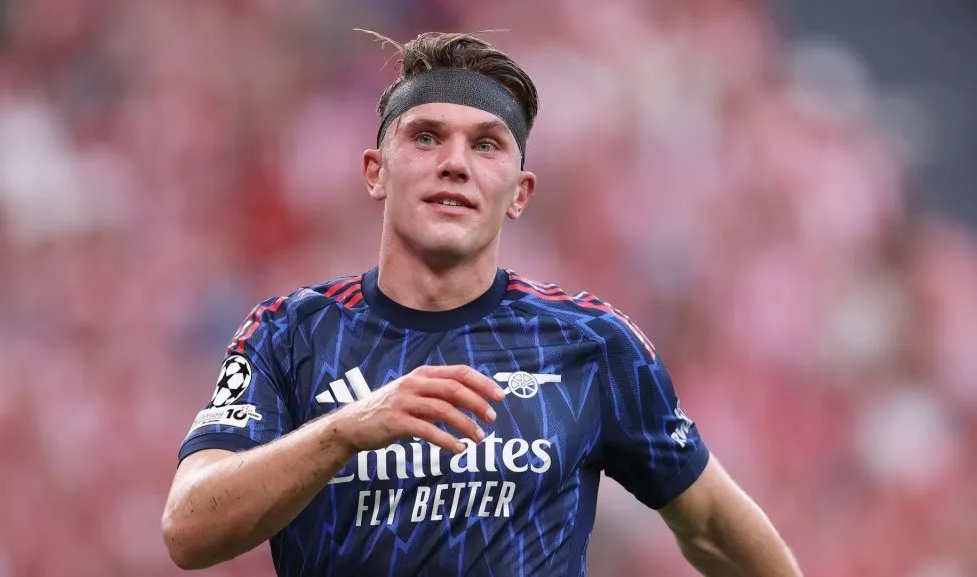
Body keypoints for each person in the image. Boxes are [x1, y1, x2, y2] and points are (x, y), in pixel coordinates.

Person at [161, 31, 802, 576]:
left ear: (520, 193)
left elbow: (710, 522)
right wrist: (346, 430)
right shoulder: (290, 333)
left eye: (487, 144)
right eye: (426, 137)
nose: (455, 164)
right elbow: (188, 530)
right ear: (375, 172)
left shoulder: (593, 344)